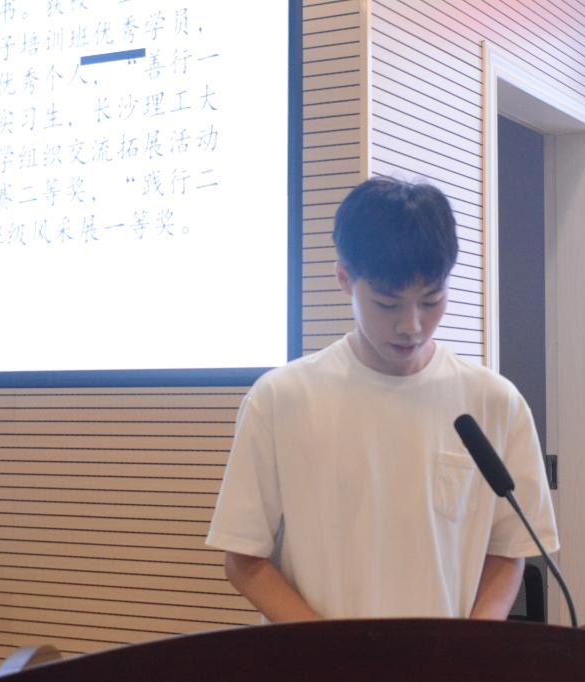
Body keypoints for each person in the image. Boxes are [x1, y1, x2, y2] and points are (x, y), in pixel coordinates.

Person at [206, 176, 558, 621]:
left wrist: (470, 646)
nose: (411, 326)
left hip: (447, 657)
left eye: (431, 301)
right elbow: (243, 559)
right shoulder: (281, 399)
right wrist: (333, 650)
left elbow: (509, 551)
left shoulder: (494, 402)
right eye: (388, 305)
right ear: (345, 279)